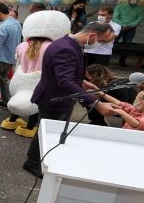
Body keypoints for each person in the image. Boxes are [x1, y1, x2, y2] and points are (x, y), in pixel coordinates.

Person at [23, 22, 116, 178]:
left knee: (50, 129)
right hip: (54, 99)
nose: (99, 44)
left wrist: (82, 81)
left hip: (60, 98)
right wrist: (95, 103)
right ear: (92, 35)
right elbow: (65, 81)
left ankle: (38, 159)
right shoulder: (65, 48)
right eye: (101, 40)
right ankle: (32, 162)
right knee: (47, 131)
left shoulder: (67, 43)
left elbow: (66, 75)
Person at [0, 10, 71, 137]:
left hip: (22, 79)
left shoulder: (22, 45)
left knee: (21, 98)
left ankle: (11, 121)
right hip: (41, 80)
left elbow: (18, 63)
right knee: (35, 103)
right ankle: (28, 128)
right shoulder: (53, 47)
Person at [113, 0, 144, 66]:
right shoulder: (120, 7)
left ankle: (122, 61)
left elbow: (139, 19)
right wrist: (124, 25)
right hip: (118, 27)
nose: (135, 0)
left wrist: (130, 26)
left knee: (127, 45)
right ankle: (108, 58)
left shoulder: (140, 8)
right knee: (112, 42)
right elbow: (115, 18)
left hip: (131, 29)